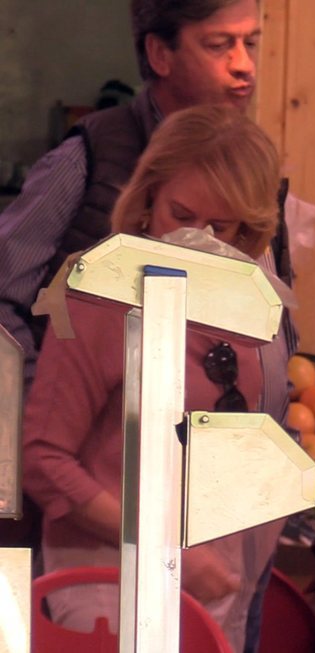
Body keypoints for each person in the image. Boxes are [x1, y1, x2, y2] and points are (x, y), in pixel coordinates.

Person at [22, 105, 285, 652]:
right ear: (146, 199)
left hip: (217, 583)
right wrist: (168, 551)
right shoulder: (97, 295)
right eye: (181, 214)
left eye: (224, 227)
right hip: (111, 594)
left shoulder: (248, 292)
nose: (198, 238)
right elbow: (43, 461)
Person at [0, 0, 287, 393]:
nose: (244, 65)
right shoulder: (92, 154)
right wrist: (40, 407)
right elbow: (3, 297)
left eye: (250, 43)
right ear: (159, 54)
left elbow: (273, 336)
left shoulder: (252, 169)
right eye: (219, 45)